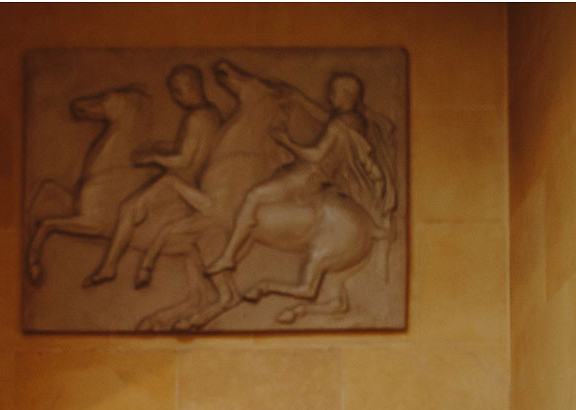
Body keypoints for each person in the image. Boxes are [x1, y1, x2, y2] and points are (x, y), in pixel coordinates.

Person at [206, 72, 395, 276]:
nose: (330, 96)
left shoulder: (338, 125)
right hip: (320, 175)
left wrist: (286, 141)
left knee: (254, 195)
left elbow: (316, 155)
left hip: (308, 176)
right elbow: (325, 117)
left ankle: (228, 256)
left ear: (346, 94)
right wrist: (298, 98)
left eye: (334, 92)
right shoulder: (353, 120)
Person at [88, 64, 221, 286]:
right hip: (194, 180)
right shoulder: (213, 113)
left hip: (182, 183)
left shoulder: (195, 118)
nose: (176, 98)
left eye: (178, 91)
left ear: (192, 86)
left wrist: (153, 157)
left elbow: (184, 160)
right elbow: (199, 150)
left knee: (128, 207)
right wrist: (162, 146)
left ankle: (109, 266)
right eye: (173, 92)